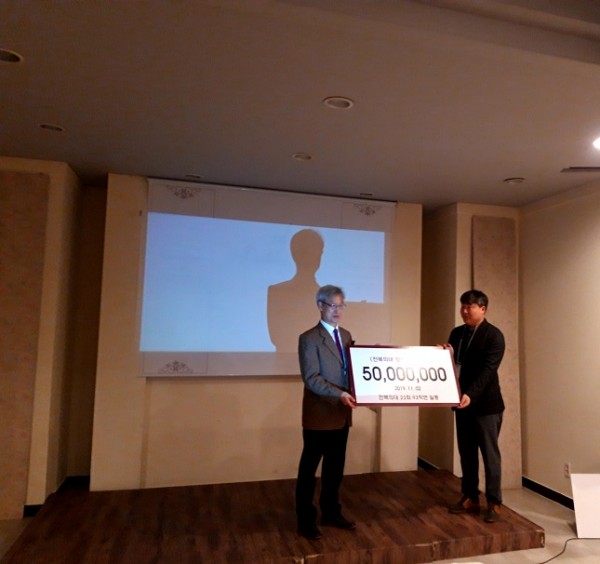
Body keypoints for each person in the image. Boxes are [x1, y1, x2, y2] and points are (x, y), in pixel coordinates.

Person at [295, 284, 357, 540]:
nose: (337, 311)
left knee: (335, 469)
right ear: (320, 306)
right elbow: (312, 379)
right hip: (319, 414)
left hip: (342, 415)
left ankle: (331, 512)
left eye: (341, 306)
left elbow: (351, 370)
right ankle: (305, 519)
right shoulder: (309, 338)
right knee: (309, 470)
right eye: (333, 305)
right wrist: (339, 394)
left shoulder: (346, 335)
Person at [443, 289, 505, 524]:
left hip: (486, 406)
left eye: (469, 307)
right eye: (463, 306)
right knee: (467, 453)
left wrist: (470, 394)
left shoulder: (494, 336)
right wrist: (445, 356)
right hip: (462, 404)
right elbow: (453, 366)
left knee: (490, 455)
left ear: (483, 309)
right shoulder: (457, 333)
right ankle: (470, 497)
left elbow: (488, 372)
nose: (464, 311)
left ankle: (494, 502)